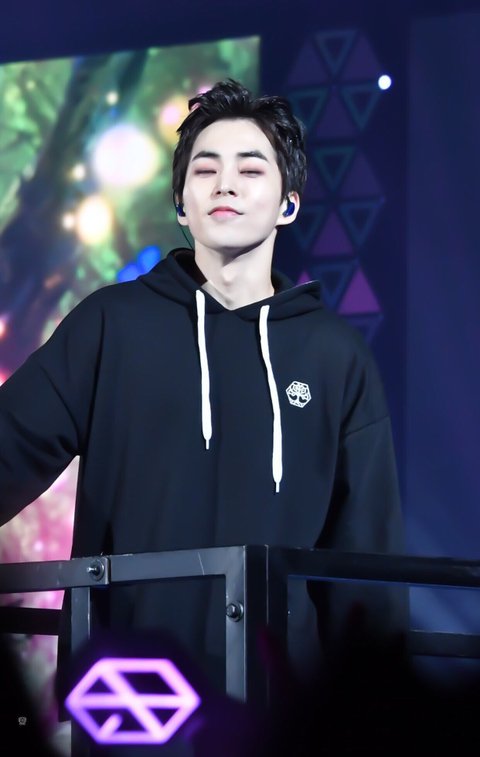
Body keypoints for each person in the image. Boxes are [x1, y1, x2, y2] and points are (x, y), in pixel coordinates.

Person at [0, 79, 407, 754]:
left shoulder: (335, 355)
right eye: (205, 169)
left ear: (289, 202)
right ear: (181, 203)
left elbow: (367, 564)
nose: (226, 185)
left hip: (281, 718)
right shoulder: (111, 325)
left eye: (251, 169)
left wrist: (374, 720)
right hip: (125, 703)